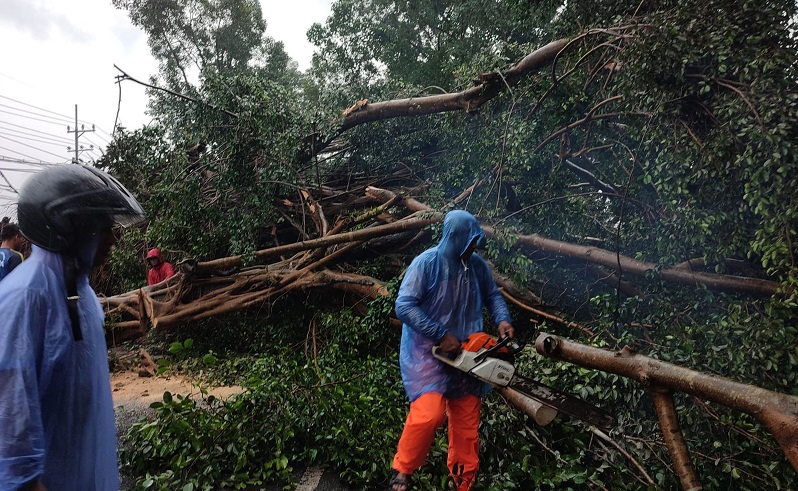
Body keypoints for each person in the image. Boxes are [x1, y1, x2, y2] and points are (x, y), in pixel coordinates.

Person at [0, 164, 145, 490]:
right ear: (67, 228)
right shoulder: (25, 297)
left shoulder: (83, 295)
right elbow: (9, 421)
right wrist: (26, 482)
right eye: (102, 226)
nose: (113, 238)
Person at [389, 210, 515, 491]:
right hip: (427, 353)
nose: (474, 247)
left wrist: (503, 319)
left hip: (468, 353)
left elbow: (493, 295)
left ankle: (462, 483)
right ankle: (403, 470)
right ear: (455, 237)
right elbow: (404, 306)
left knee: (467, 424)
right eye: (470, 241)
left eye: (475, 242)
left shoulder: (477, 266)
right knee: (429, 414)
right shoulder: (427, 263)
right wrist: (440, 334)